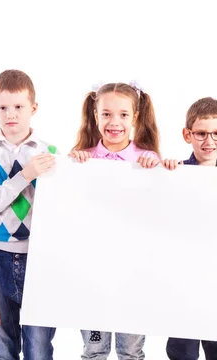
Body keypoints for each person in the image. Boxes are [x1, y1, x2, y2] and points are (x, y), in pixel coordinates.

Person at [0, 69, 58, 360]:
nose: (11, 114)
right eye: (3, 107)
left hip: (39, 258)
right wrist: (26, 175)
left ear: (33, 108)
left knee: (39, 347)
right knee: (4, 345)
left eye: (19, 107)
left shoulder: (50, 152)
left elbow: (57, 209)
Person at [69, 81, 161, 360]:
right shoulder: (81, 160)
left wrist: (158, 168)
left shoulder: (146, 160)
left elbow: (160, 214)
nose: (114, 122)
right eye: (106, 114)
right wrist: (71, 167)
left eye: (123, 115)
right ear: (95, 116)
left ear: (134, 117)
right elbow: (67, 211)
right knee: (94, 349)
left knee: (131, 351)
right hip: (92, 275)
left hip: (134, 276)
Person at [162, 97, 217, 360]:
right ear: (187, 135)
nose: (209, 141)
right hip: (182, 280)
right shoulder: (174, 174)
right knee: (182, 351)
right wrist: (164, 175)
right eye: (202, 133)